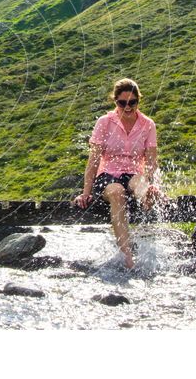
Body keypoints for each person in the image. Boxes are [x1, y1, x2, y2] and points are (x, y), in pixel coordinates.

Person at [73, 78, 164, 269]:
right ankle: (127, 256)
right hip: (108, 174)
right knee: (117, 192)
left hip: (133, 172)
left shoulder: (148, 124)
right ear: (115, 101)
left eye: (132, 102)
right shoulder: (105, 122)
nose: (128, 107)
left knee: (139, 183)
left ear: (139, 100)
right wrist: (86, 192)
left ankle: (148, 195)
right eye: (122, 103)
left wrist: (153, 182)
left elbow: (151, 161)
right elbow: (94, 160)